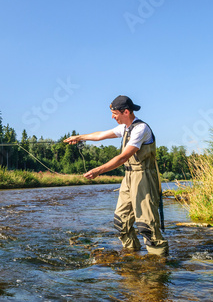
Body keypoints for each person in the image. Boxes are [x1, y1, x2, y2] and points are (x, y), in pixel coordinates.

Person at [64, 95, 168, 256]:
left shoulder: (141, 129)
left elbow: (123, 157)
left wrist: (99, 170)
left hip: (144, 177)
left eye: (114, 113)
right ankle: (132, 255)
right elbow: (99, 135)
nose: (112, 117)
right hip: (128, 178)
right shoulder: (124, 128)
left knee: (146, 226)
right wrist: (79, 137)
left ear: (125, 112)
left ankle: (158, 264)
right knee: (121, 222)